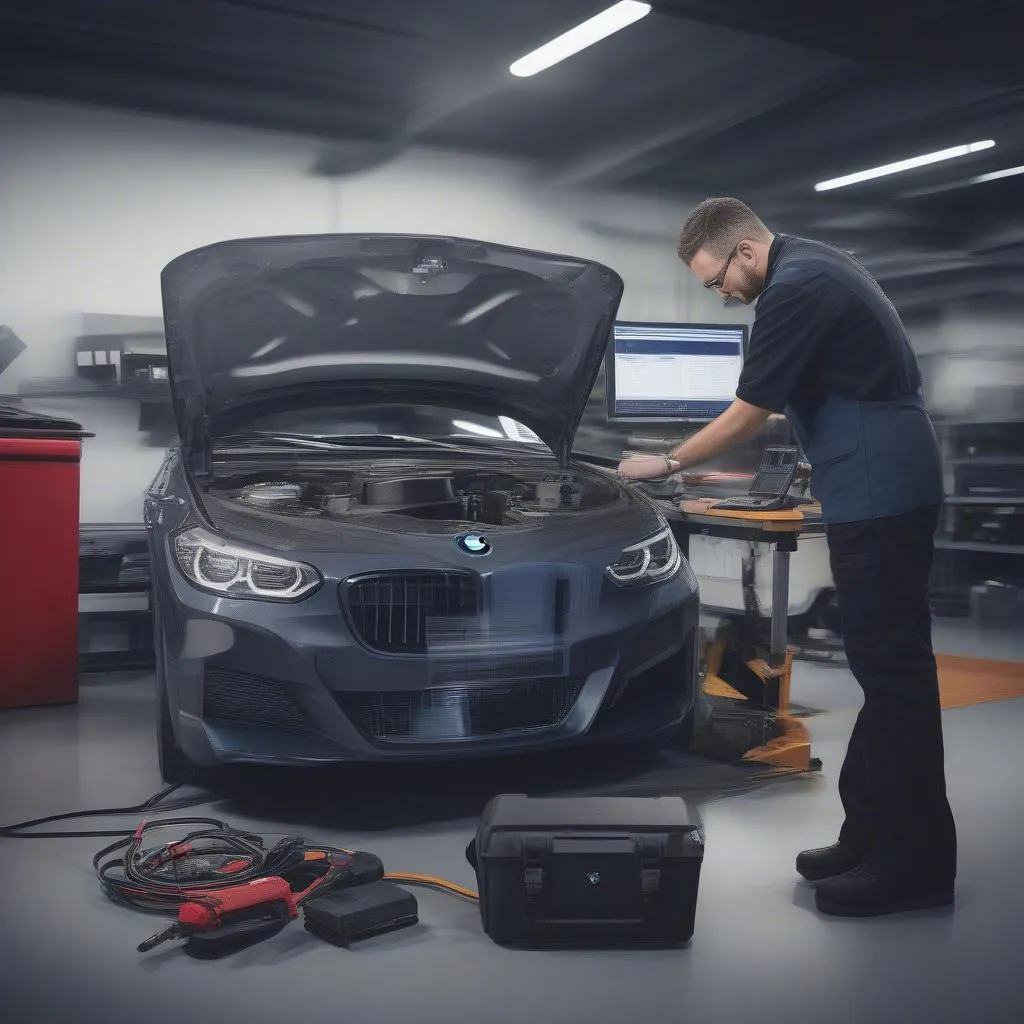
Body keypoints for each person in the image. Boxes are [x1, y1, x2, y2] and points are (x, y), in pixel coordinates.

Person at [618, 197, 957, 918]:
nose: (722, 294)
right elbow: (800, 399)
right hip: (882, 480)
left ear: (744, 250)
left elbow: (750, 408)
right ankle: (867, 835)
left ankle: (917, 865)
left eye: (717, 281)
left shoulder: (795, 286)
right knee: (886, 672)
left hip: (880, 488)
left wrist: (667, 462)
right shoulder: (812, 264)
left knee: (896, 681)